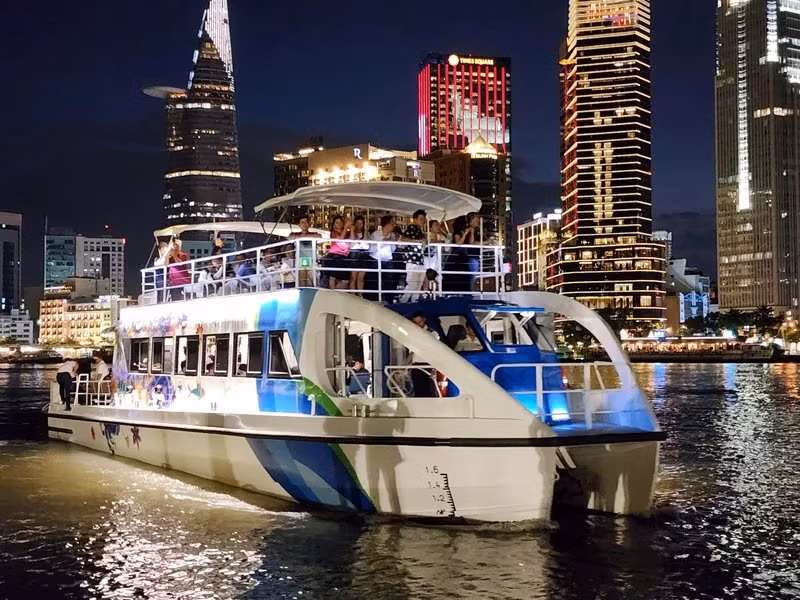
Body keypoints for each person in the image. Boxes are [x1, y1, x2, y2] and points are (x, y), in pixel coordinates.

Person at [408, 312, 439, 397]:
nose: (418, 325)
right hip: (416, 366)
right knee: (418, 392)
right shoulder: (413, 335)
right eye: (415, 323)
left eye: (420, 322)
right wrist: (404, 366)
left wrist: (434, 368)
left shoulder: (432, 334)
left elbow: (435, 352)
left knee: (429, 392)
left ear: (424, 320)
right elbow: (412, 352)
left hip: (427, 365)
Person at [367, 215, 399, 300]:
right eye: (392, 223)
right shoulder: (375, 234)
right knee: (375, 281)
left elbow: (393, 249)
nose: (394, 225)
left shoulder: (392, 235)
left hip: (388, 260)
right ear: (387, 224)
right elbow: (371, 249)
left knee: (389, 281)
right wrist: (383, 242)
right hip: (376, 260)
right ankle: (373, 299)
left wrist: (392, 242)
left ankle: (389, 299)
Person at [400, 210, 427, 302]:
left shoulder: (420, 230)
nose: (423, 221)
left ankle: (412, 301)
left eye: (423, 219)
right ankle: (404, 301)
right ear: (415, 220)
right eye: (421, 219)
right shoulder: (411, 228)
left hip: (420, 259)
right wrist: (418, 241)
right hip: (413, 259)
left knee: (418, 284)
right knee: (413, 283)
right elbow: (403, 239)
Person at [288, 214, 322, 287]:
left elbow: (319, 236)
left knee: (312, 283)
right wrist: (304, 236)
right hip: (300, 261)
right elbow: (290, 237)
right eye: (302, 222)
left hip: (312, 261)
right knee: (301, 284)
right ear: (299, 225)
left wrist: (303, 236)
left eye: (306, 222)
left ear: (309, 224)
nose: (305, 224)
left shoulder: (314, 234)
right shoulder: (294, 234)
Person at [324, 215, 352, 289]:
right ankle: (334, 294)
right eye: (337, 223)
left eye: (340, 222)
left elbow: (352, 239)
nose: (339, 224)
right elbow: (341, 240)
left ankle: (334, 293)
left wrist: (351, 228)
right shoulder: (334, 233)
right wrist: (346, 227)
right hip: (334, 256)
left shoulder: (347, 233)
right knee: (333, 278)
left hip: (343, 257)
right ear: (334, 225)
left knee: (345, 280)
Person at [348, 215, 370, 293]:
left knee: (361, 278)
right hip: (354, 254)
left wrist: (366, 230)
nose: (359, 225)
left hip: (364, 254)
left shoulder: (366, 233)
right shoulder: (351, 233)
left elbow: (367, 243)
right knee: (353, 277)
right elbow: (353, 241)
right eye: (357, 223)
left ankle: (360, 295)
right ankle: (353, 295)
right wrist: (352, 230)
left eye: (361, 223)